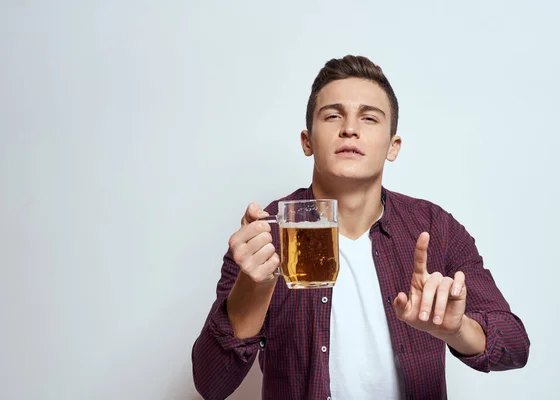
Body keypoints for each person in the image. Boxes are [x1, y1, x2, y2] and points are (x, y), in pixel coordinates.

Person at [191, 55, 530, 399]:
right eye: (333, 115)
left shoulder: (434, 228)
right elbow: (211, 384)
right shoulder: (266, 236)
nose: (349, 128)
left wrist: (457, 330)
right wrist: (253, 286)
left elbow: (515, 346)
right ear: (307, 141)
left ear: (392, 146)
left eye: (368, 118)